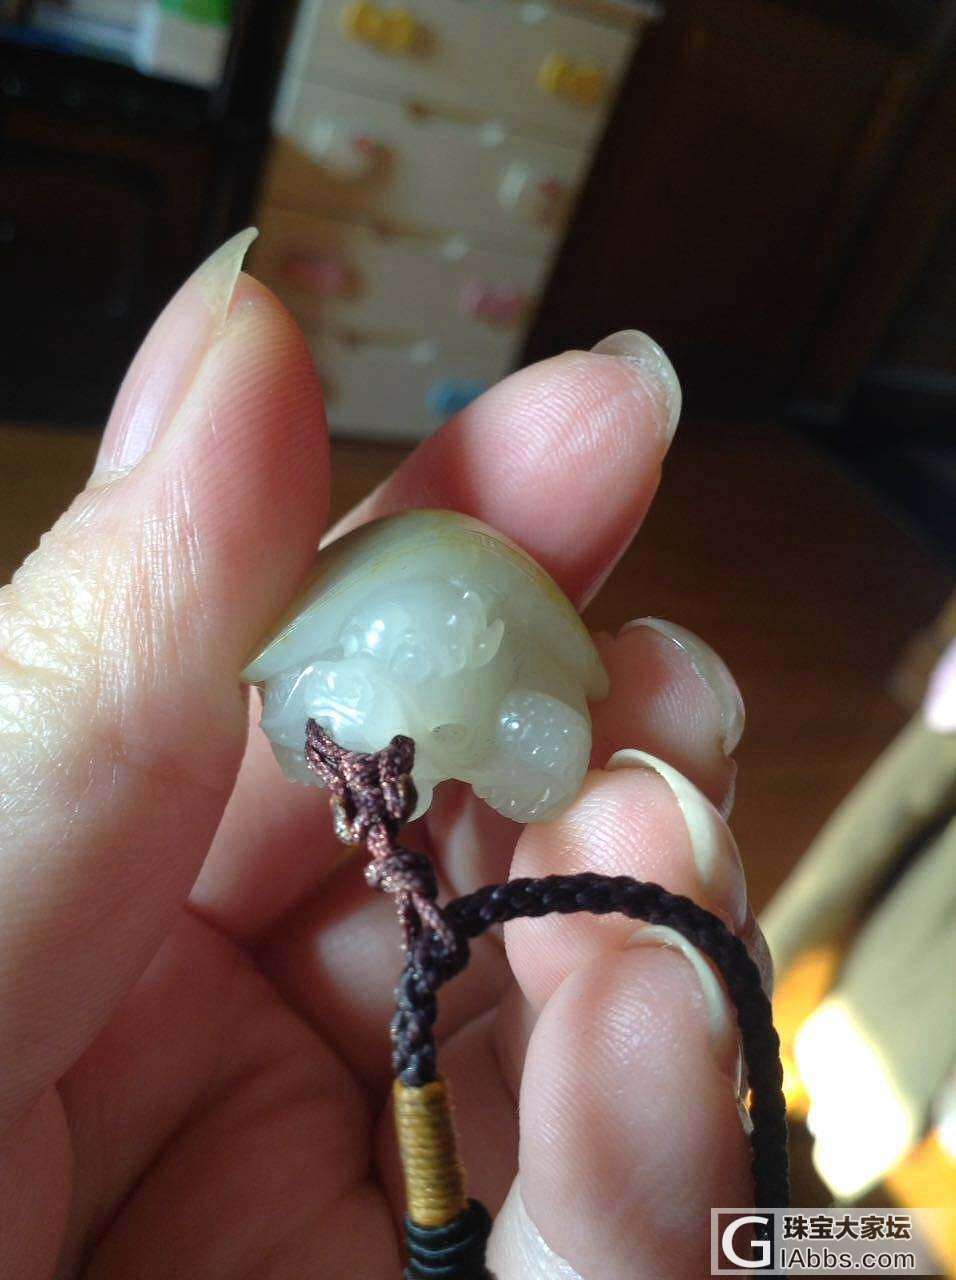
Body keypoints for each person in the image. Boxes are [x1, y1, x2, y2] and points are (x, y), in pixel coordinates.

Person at [0, 231, 768, 1278]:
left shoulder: (503, 681)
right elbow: (303, 723)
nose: (440, 651)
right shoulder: (336, 695)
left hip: (484, 722)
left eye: (457, 640)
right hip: (376, 727)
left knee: (580, 816)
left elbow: (541, 745)